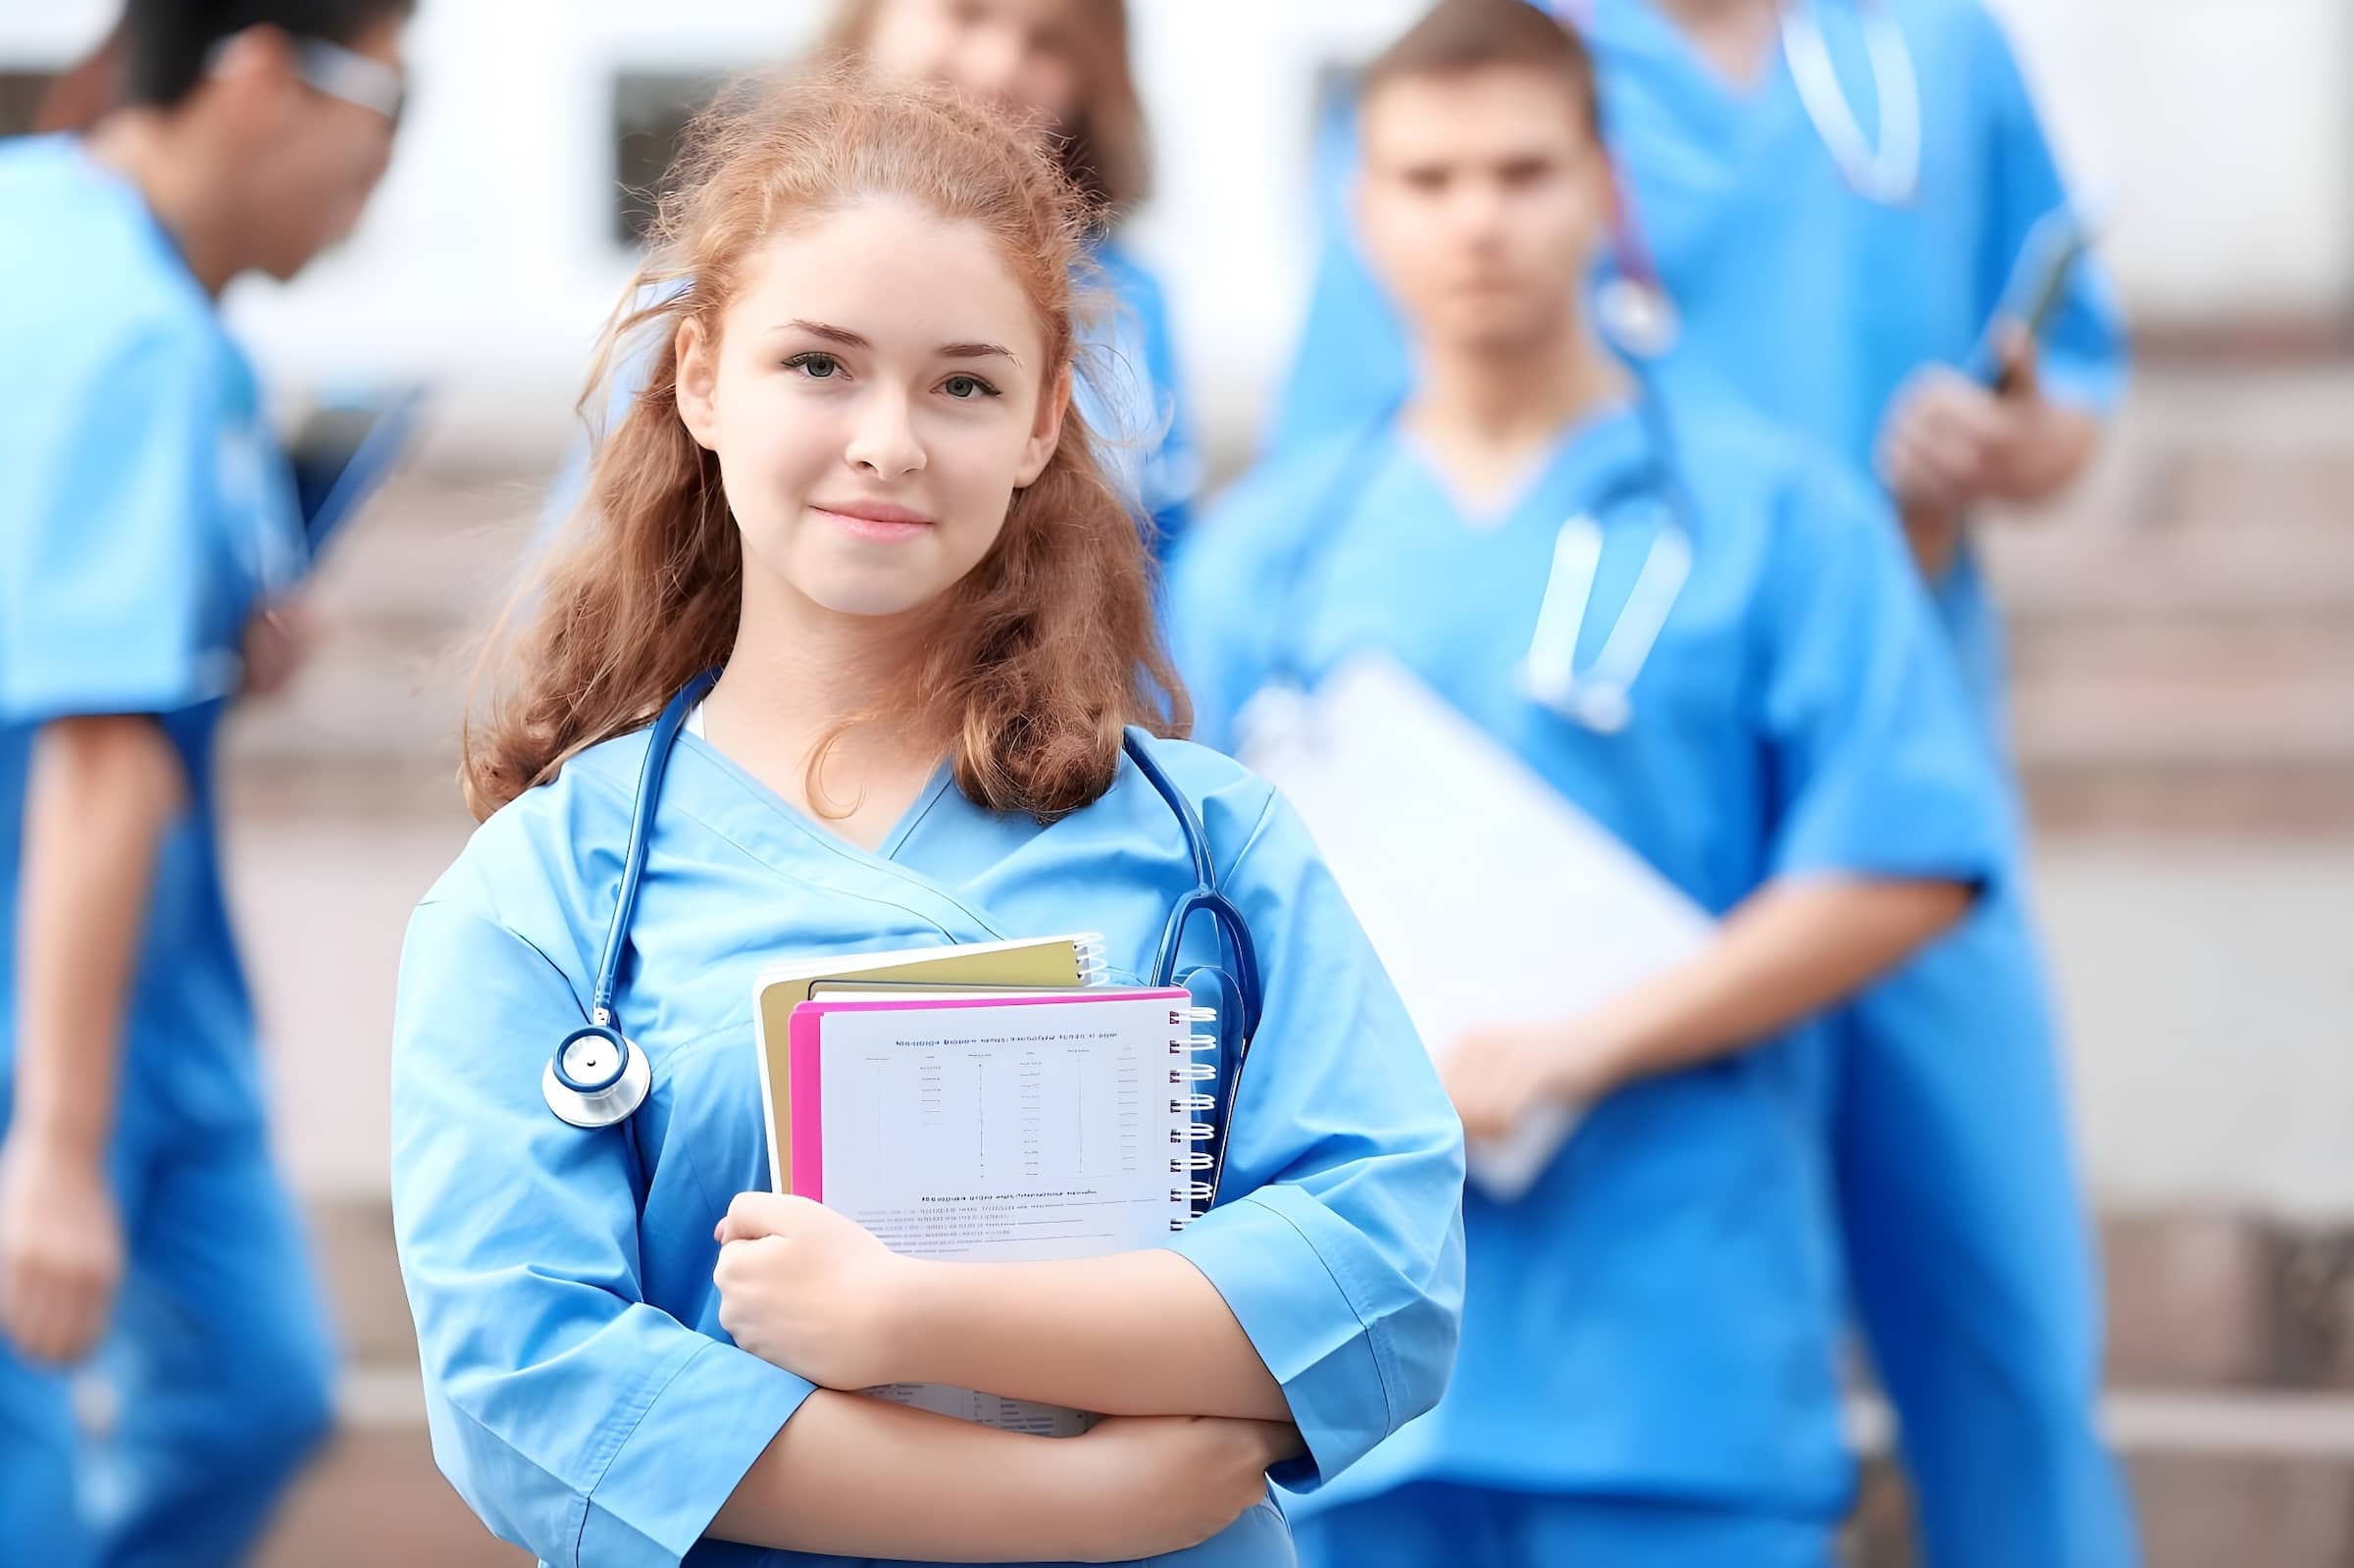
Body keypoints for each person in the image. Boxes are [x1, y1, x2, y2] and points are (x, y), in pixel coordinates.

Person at [390, 68, 1464, 1568]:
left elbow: (1383, 1273)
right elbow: (528, 1382)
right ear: (701, 377)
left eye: (963, 383)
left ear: (1039, 427)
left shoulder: (1215, 848)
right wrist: (1073, 1508)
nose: (888, 439)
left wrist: (910, 1313)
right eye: (818, 365)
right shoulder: (539, 897)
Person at [1267, 5, 2136, 1560]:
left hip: (1847, 729)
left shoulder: (1932, 46)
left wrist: (2007, 445)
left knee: (2007, 1331)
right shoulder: (1497, 63)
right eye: (1439, 183)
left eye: (1524, 178)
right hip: (1569, 772)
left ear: (1599, 186)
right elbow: (1343, 531)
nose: (1479, 214)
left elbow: (2066, 374)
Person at [0, 3, 413, 1565]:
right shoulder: (118, 330)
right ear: (254, 74)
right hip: (48, 1003)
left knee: (257, 1388)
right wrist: (54, 1144)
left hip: (155, 989)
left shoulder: (155, 304)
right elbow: (97, 744)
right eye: (388, 96)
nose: (383, 161)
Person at [546, 0, 1196, 556]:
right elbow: (596, 550)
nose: (999, 65)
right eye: (965, 12)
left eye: (1047, 41)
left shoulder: (1127, 303)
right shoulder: (724, 263)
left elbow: (1165, 556)